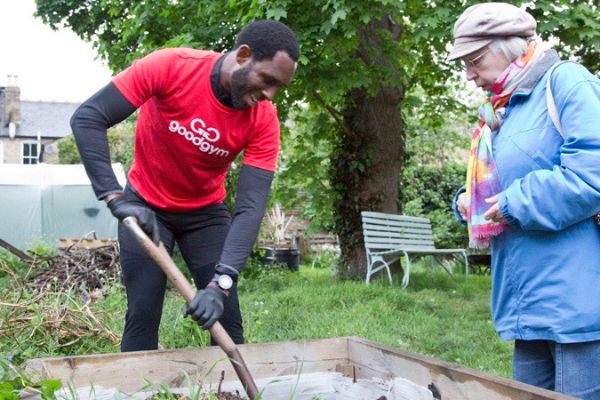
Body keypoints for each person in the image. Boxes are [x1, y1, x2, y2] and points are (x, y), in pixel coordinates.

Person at [70, 20, 299, 351]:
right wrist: (116, 198)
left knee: (228, 324)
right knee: (142, 316)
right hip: (145, 208)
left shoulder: (263, 119)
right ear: (243, 55)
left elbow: (250, 207)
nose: (269, 94)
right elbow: (89, 117)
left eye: (279, 87)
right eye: (267, 80)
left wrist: (221, 284)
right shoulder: (171, 67)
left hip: (205, 216)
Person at [448, 3, 600, 399]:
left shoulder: (566, 82)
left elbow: (591, 174)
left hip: (576, 304)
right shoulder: (502, 108)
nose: (469, 74)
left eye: (474, 60)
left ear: (511, 46)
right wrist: (469, 199)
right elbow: (502, 176)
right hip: (525, 301)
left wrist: (514, 202)